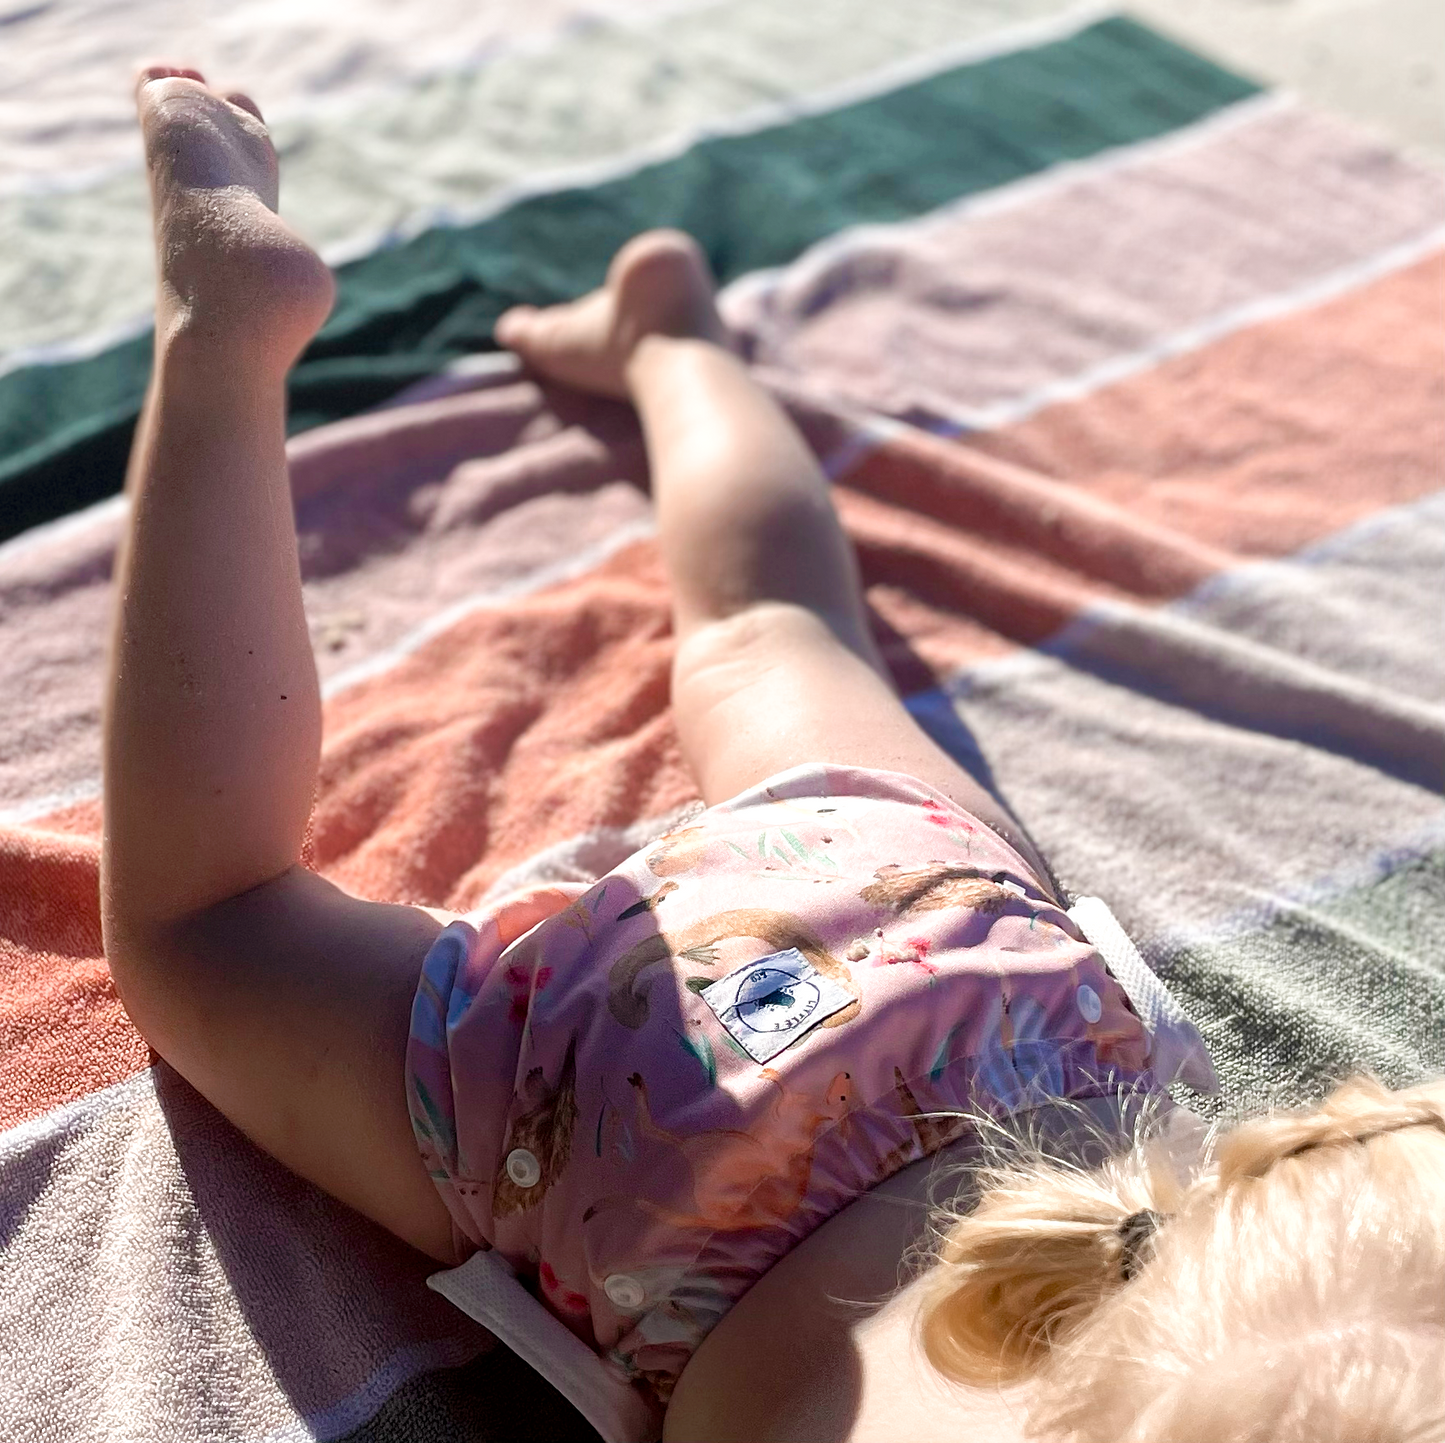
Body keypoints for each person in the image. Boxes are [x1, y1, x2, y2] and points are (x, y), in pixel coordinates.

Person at [101, 69, 1444, 1443]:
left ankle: (670, 341)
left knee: (768, 623)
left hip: (986, 985)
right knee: (205, 919)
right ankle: (220, 353)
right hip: (642, 1162)